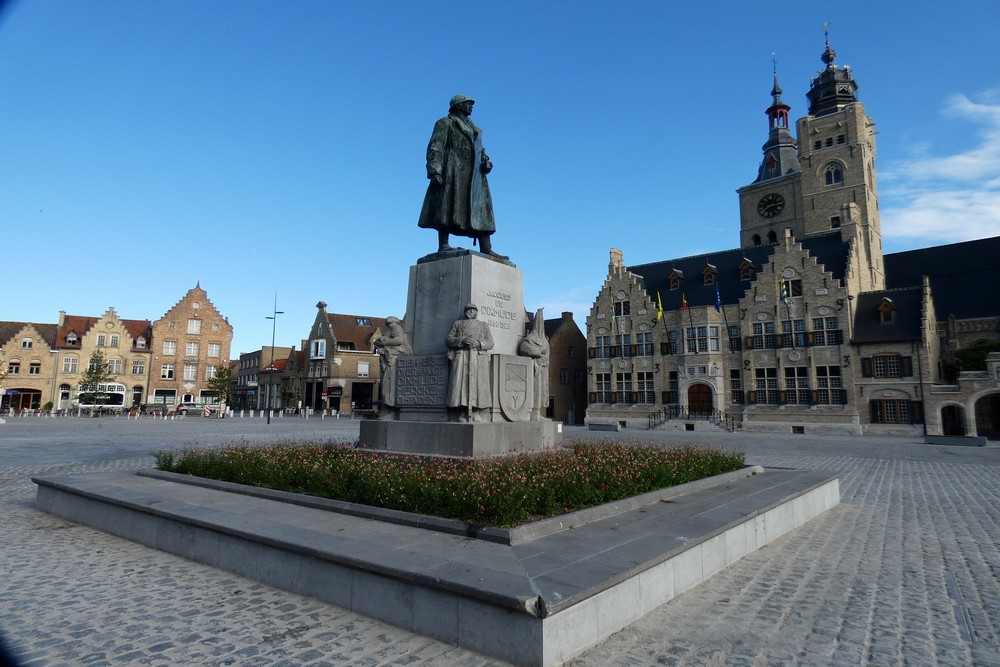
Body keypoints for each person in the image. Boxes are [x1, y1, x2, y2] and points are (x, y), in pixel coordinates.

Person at [418, 95, 507, 260]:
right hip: (453, 171)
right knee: (446, 206)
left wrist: (486, 162)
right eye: (468, 103)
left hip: (475, 177)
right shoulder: (445, 123)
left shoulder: (475, 129)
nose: (471, 106)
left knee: (481, 210)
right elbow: (435, 146)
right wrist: (435, 170)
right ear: (458, 106)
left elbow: (480, 151)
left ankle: (486, 248)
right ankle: (443, 245)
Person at [445, 304, 494, 421]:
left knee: (478, 385)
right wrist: (462, 340)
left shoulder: (483, 325)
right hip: (462, 357)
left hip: (478, 358)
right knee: (461, 384)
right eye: (469, 310)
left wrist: (479, 343)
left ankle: (476, 411)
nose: (471, 312)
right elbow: (448, 340)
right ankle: (463, 411)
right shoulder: (458, 323)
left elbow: (490, 343)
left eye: (473, 310)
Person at [373, 316, 412, 419]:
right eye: (389, 324)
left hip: (391, 362)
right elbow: (376, 342)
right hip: (386, 362)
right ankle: (387, 410)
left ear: (395, 322)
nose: (390, 326)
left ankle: (391, 411)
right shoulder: (389, 332)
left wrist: (384, 342)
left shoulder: (397, 329)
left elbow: (399, 340)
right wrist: (381, 341)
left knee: (389, 386)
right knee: (386, 386)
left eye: (391, 323)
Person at [518, 308, 550, 420]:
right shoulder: (531, 337)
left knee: (542, 392)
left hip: (544, 368)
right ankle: (534, 413)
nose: (541, 325)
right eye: (539, 322)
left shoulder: (545, 339)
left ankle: (539, 413)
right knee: (536, 390)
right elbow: (524, 347)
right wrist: (538, 351)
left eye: (543, 322)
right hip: (535, 368)